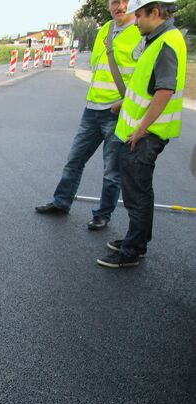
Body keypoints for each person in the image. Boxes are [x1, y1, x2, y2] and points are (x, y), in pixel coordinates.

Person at [35, 0, 141, 230]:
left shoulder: (140, 31)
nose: (119, 6)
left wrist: (126, 101)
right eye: (114, 2)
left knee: (112, 170)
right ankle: (61, 202)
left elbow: (144, 77)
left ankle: (102, 214)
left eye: (124, 2)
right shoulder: (106, 29)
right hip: (92, 109)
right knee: (74, 159)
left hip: (118, 111)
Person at [97, 0, 185, 268]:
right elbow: (148, 86)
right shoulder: (158, 39)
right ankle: (137, 241)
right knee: (140, 191)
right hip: (141, 132)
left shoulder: (167, 42)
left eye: (140, 17)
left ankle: (132, 251)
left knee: (137, 195)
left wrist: (140, 130)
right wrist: (123, 104)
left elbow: (164, 91)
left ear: (155, 13)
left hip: (145, 136)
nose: (136, 23)